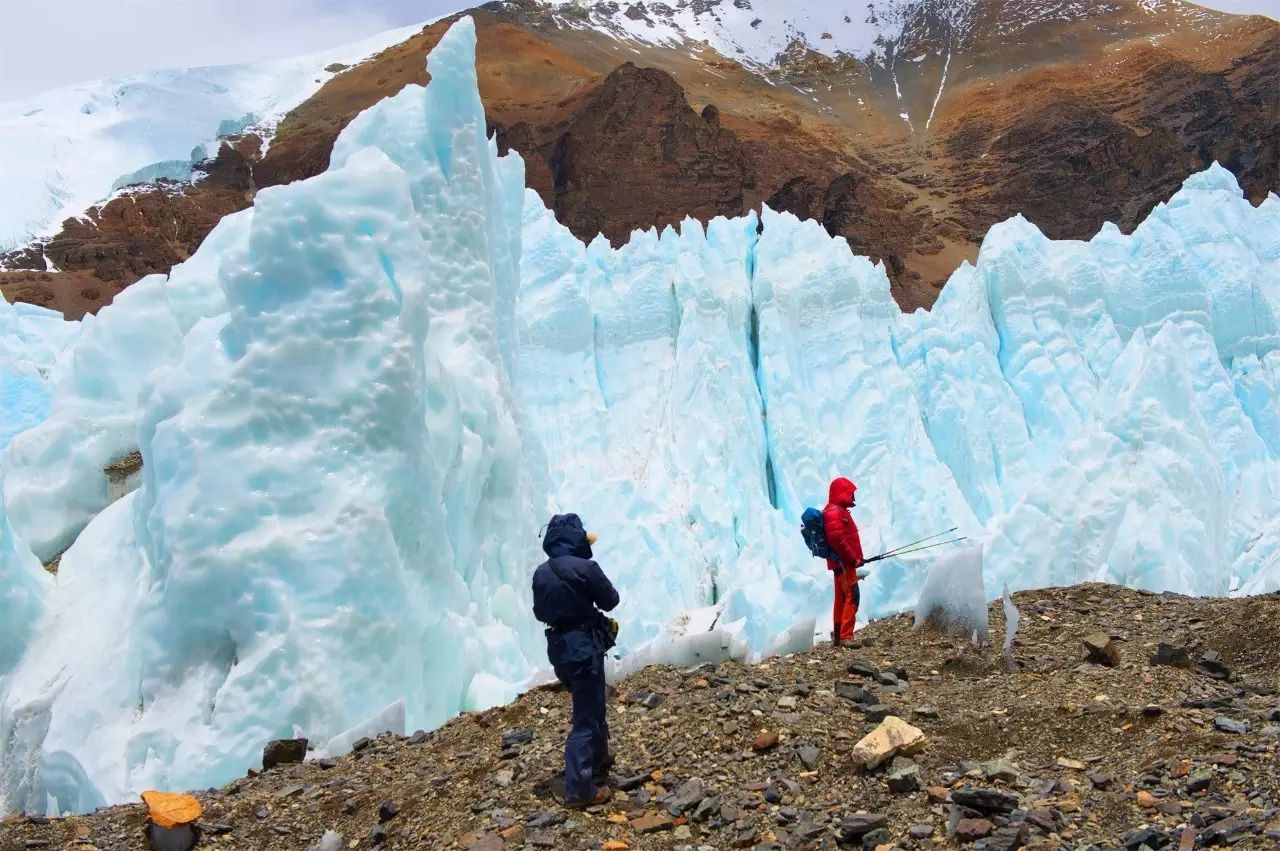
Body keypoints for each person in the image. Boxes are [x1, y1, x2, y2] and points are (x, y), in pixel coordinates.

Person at [531, 513, 620, 808]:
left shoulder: (541, 573)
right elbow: (611, 600)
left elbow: (540, 613)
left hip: (559, 649)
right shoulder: (586, 567)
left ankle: (600, 757)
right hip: (584, 647)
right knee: (585, 717)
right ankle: (580, 789)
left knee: (591, 704)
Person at [823, 477, 866, 645]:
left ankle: (839, 636)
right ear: (842, 493)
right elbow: (838, 539)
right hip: (843, 562)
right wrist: (852, 558)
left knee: (841, 598)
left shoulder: (835, 510)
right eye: (851, 494)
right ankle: (846, 636)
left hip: (840, 562)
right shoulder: (835, 511)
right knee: (852, 595)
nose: (853, 498)